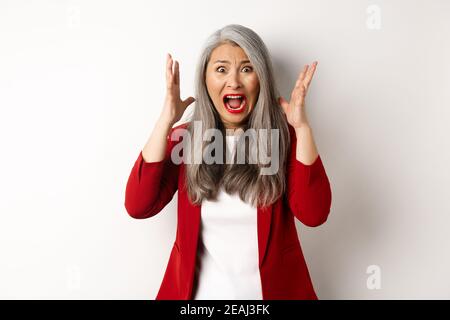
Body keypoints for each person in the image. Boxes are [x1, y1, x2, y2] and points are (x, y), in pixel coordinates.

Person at [124, 24, 332, 300]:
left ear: (262, 79)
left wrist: (302, 129)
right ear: (205, 80)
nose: (234, 81)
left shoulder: (286, 139)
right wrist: (166, 121)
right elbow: (139, 205)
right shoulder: (185, 140)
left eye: (247, 69)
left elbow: (314, 214)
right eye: (221, 69)